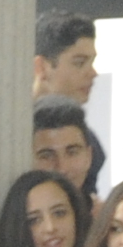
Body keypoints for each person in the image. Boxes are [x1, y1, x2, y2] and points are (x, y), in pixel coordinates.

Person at [31, 10, 105, 189]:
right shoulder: (10, 134)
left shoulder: (90, 142)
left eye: (72, 152)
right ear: (42, 67)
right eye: (79, 62)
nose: (93, 73)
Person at [32, 96, 101, 201]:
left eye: (72, 152)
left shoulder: (107, 211)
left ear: (89, 157)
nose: (62, 168)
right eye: (47, 156)